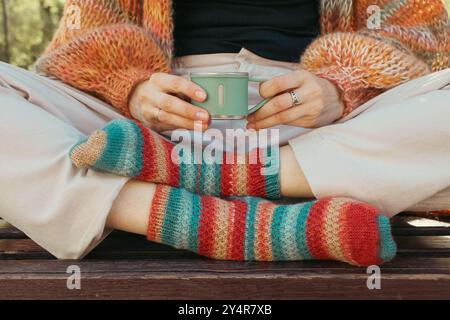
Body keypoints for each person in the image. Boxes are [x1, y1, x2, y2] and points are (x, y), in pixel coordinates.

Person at [0, 0, 449, 265]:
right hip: (144, 133)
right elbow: (78, 56)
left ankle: (204, 181)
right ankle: (216, 218)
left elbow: (420, 49)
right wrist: (131, 89)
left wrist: (340, 88)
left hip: (318, 134)